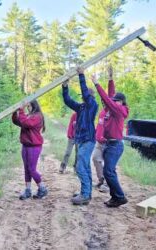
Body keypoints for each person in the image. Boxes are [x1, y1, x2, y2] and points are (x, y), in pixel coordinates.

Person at [62, 67, 98, 205]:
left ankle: (84, 194)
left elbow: (85, 92)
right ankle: (86, 193)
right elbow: (68, 101)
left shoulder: (92, 105)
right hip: (81, 140)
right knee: (85, 167)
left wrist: (81, 75)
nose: (83, 97)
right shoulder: (81, 107)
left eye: (84, 96)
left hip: (88, 140)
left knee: (80, 167)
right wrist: (65, 86)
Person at [92, 74, 129, 208]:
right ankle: (115, 198)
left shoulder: (119, 110)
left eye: (115, 101)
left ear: (121, 102)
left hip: (115, 145)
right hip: (108, 144)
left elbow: (107, 99)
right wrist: (110, 79)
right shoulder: (112, 109)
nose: (112, 102)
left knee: (108, 171)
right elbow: (110, 96)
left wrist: (96, 84)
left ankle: (120, 197)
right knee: (109, 172)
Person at [12, 100, 48, 200]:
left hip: (34, 146)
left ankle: (42, 188)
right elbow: (18, 122)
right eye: (27, 107)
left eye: (29, 106)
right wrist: (15, 113)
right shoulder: (29, 115)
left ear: (34, 105)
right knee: (27, 169)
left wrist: (21, 110)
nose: (28, 108)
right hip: (26, 145)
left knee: (32, 169)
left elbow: (27, 123)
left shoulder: (37, 116)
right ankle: (28, 190)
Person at [91, 66, 116, 193]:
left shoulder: (112, 110)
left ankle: (107, 184)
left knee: (108, 165)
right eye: (102, 100)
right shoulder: (102, 112)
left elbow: (110, 94)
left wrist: (110, 79)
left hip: (108, 143)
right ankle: (101, 180)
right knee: (95, 158)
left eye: (105, 100)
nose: (103, 101)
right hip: (99, 142)